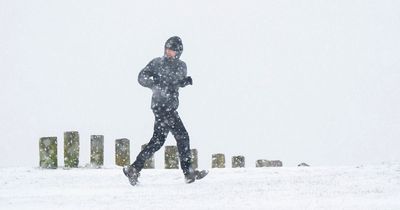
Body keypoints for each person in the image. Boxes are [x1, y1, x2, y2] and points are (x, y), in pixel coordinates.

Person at [123, 36, 207, 186]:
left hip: (170, 106)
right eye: (167, 49)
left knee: (158, 141)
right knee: (182, 136)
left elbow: (174, 81)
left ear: (179, 52)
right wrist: (155, 81)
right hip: (161, 106)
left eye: (172, 50)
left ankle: (134, 168)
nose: (169, 52)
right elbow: (141, 77)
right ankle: (188, 173)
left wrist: (183, 82)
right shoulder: (157, 63)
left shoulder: (182, 66)